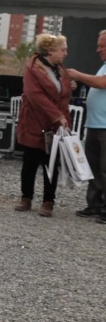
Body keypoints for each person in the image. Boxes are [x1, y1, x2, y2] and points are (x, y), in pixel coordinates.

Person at [15, 34, 72, 216]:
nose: (65, 53)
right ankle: (26, 197)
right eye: (62, 49)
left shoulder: (60, 69)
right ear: (50, 50)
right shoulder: (33, 69)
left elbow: (61, 92)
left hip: (54, 125)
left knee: (52, 163)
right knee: (30, 161)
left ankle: (48, 201)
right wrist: (57, 115)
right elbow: (34, 95)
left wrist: (70, 87)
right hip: (35, 122)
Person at [65, 30, 106, 222]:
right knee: (94, 168)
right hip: (95, 125)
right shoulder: (103, 66)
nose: (98, 50)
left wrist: (78, 75)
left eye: (102, 46)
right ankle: (95, 205)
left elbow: (101, 83)